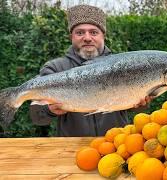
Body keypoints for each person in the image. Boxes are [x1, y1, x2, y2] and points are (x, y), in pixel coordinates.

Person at [29, 4, 152, 137]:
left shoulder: (124, 65)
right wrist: (49, 110)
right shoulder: (55, 68)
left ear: (103, 35)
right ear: (71, 36)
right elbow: (37, 117)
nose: (87, 38)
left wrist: (141, 104)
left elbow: (139, 106)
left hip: (117, 145)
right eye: (80, 32)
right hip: (73, 149)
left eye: (93, 32)